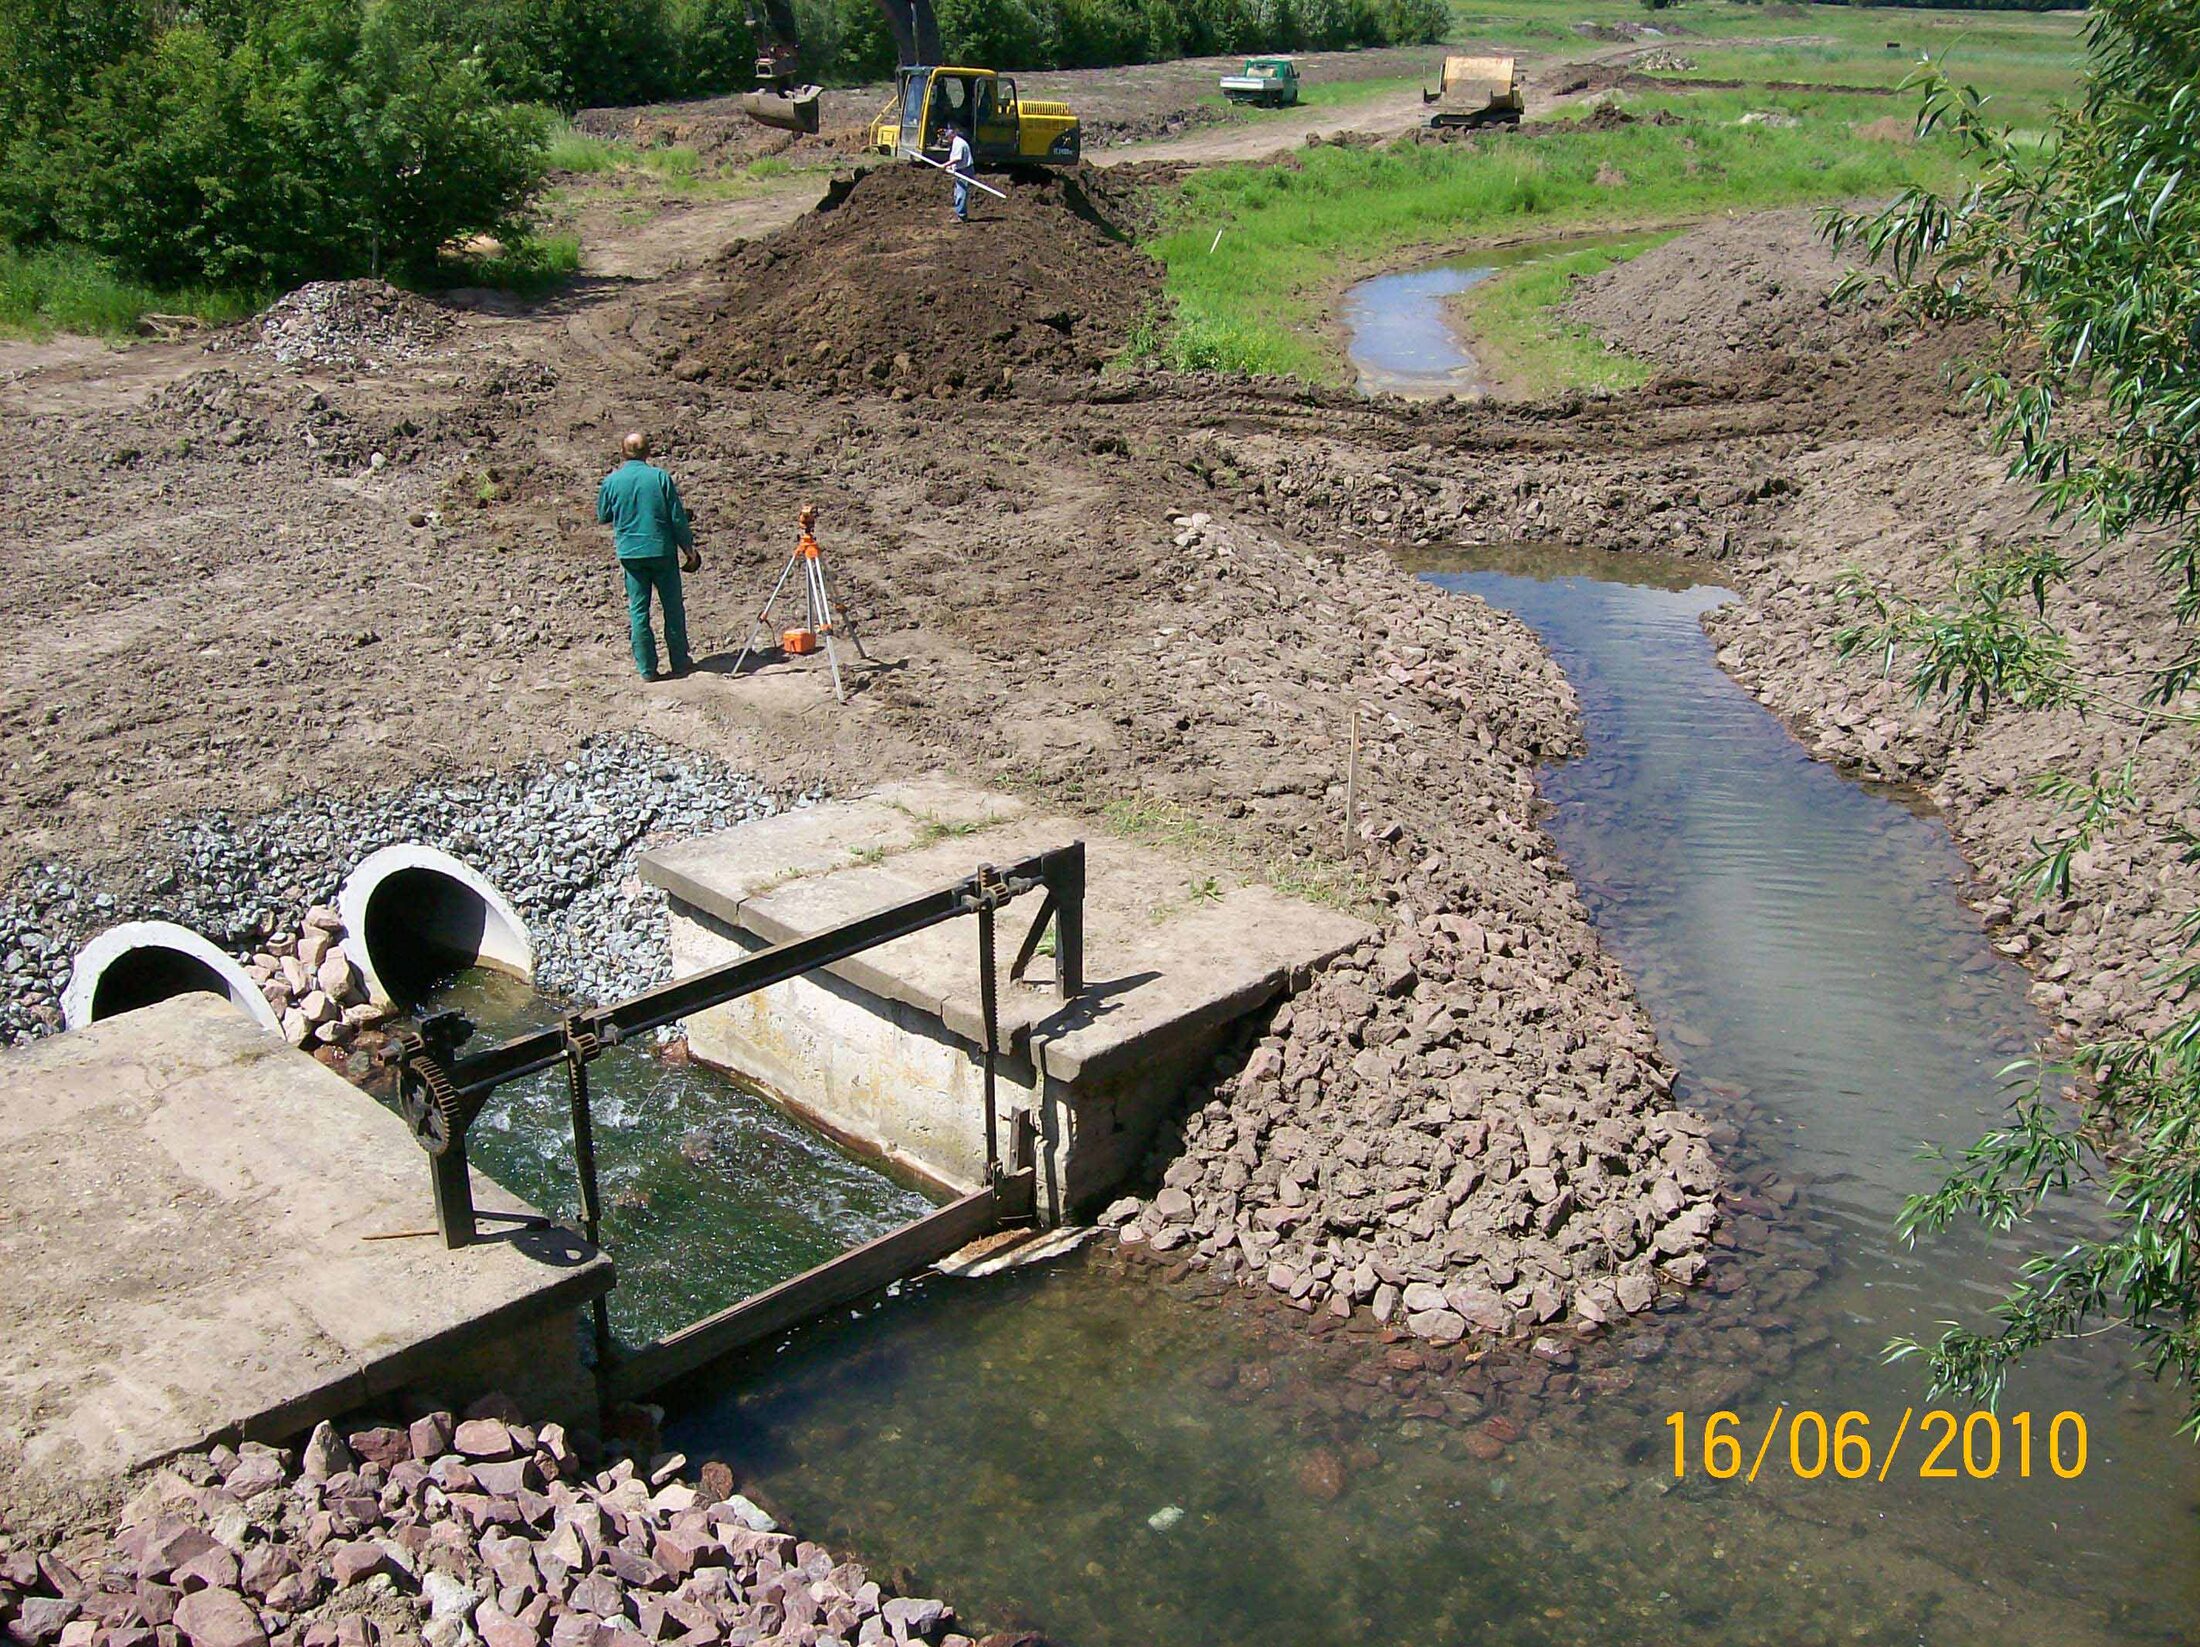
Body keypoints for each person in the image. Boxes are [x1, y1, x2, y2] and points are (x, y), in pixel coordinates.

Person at [595, 431, 701, 681]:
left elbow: (603, 515)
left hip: (631, 554)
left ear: (623, 453)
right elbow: (677, 518)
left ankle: (646, 668)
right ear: (648, 452)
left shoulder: (611, 481)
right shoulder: (660, 478)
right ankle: (679, 661)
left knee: (638, 610)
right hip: (661, 551)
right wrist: (689, 549)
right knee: (672, 607)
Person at [944, 124, 976, 223]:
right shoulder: (956, 142)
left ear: (952, 135)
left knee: (961, 193)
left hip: (965, 170)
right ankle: (960, 212)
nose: (946, 139)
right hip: (962, 169)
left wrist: (944, 165)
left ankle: (961, 216)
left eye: (947, 137)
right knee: (958, 192)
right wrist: (950, 166)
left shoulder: (959, 143)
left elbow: (957, 158)